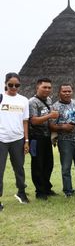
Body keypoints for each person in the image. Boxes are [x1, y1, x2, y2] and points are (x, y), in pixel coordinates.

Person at [51, 84, 75, 197]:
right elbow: (51, 126)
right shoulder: (55, 107)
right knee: (66, 168)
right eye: (64, 91)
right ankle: (68, 192)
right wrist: (63, 127)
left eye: (69, 91)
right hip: (65, 141)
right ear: (59, 92)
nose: (67, 93)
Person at [0, 72, 30, 210]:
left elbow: (25, 122)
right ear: (5, 84)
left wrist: (26, 140)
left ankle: (21, 192)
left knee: (19, 168)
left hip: (18, 139)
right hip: (1, 139)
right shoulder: (1, 98)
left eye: (17, 85)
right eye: (10, 84)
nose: (13, 87)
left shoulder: (23, 100)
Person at [29, 77, 59, 200]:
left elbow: (50, 117)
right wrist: (50, 116)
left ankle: (47, 188)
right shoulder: (32, 102)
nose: (47, 89)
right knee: (38, 165)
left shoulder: (49, 100)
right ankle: (40, 192)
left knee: (48, 164)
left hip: (46, 137)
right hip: (36, 138)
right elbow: (34, 121)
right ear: (38, 87)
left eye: (49, 87)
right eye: (44, 87)